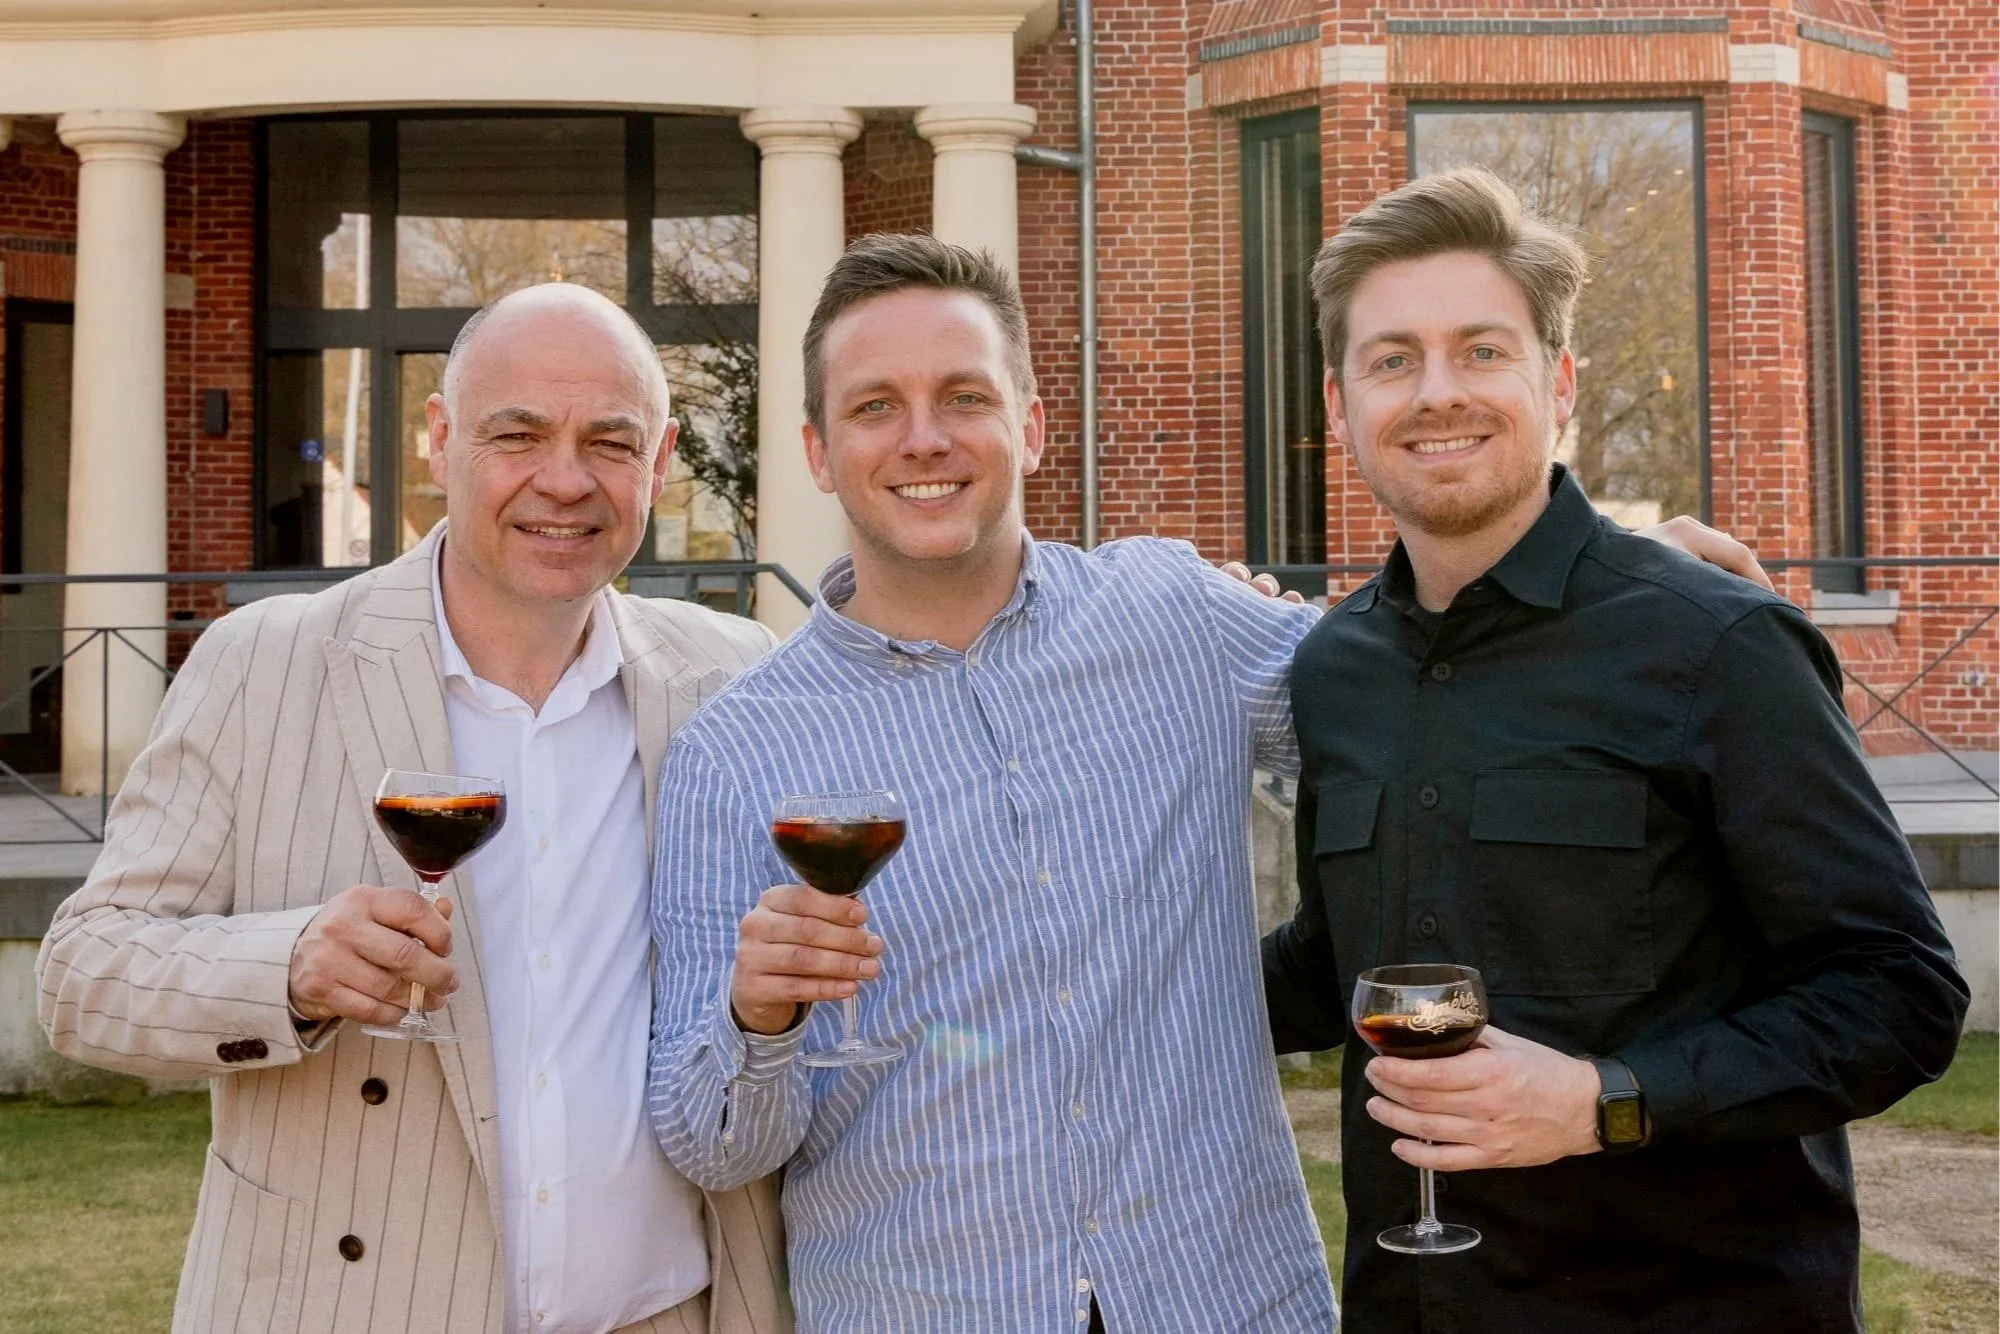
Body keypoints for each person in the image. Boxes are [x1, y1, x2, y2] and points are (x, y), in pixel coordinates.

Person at [642, 233, 1765, 1331]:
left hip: (1222, 1295)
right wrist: (762, 1010)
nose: (923, 437)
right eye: (874, 405)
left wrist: (1608, 582)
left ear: (1030, 427)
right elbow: (710, 1141)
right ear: (816, 449)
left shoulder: (1170, 616)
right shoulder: (736, 750)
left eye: (964, 396)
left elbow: (1425, 688)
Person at [1260, 167, 1968, 1333]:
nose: (1436, 392)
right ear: (1339, 409)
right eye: (1391, 360)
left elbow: (1897, 992)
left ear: (1559, 382)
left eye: (1481, 350)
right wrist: (1092, 977)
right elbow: (1334, 959)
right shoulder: (1335, 666)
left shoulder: (1717, 641)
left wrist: (1603, 1102)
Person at [38, 284, 789, 1334]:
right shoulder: (265, 665)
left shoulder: (732, 677)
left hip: (666, 1310)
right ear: (441, 441)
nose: (563, 480)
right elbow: (81, 974)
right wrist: (291, 965)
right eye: (517, 433)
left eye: (609, 441)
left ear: (658, 463)